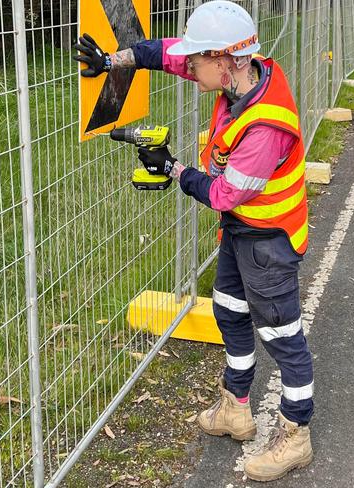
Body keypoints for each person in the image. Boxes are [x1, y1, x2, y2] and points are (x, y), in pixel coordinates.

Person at [74, 0, 314, 481]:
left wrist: (176, 170)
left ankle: (296, 434)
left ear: (227, 60)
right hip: (242, 232)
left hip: (269, 242)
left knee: (281, 334)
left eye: (197, 59)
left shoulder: (265, 126)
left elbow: (225, 194)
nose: (188, 67)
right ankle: (235, 408)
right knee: (229, 310)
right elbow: (164, 54)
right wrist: (112, 62)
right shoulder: (240, 73)